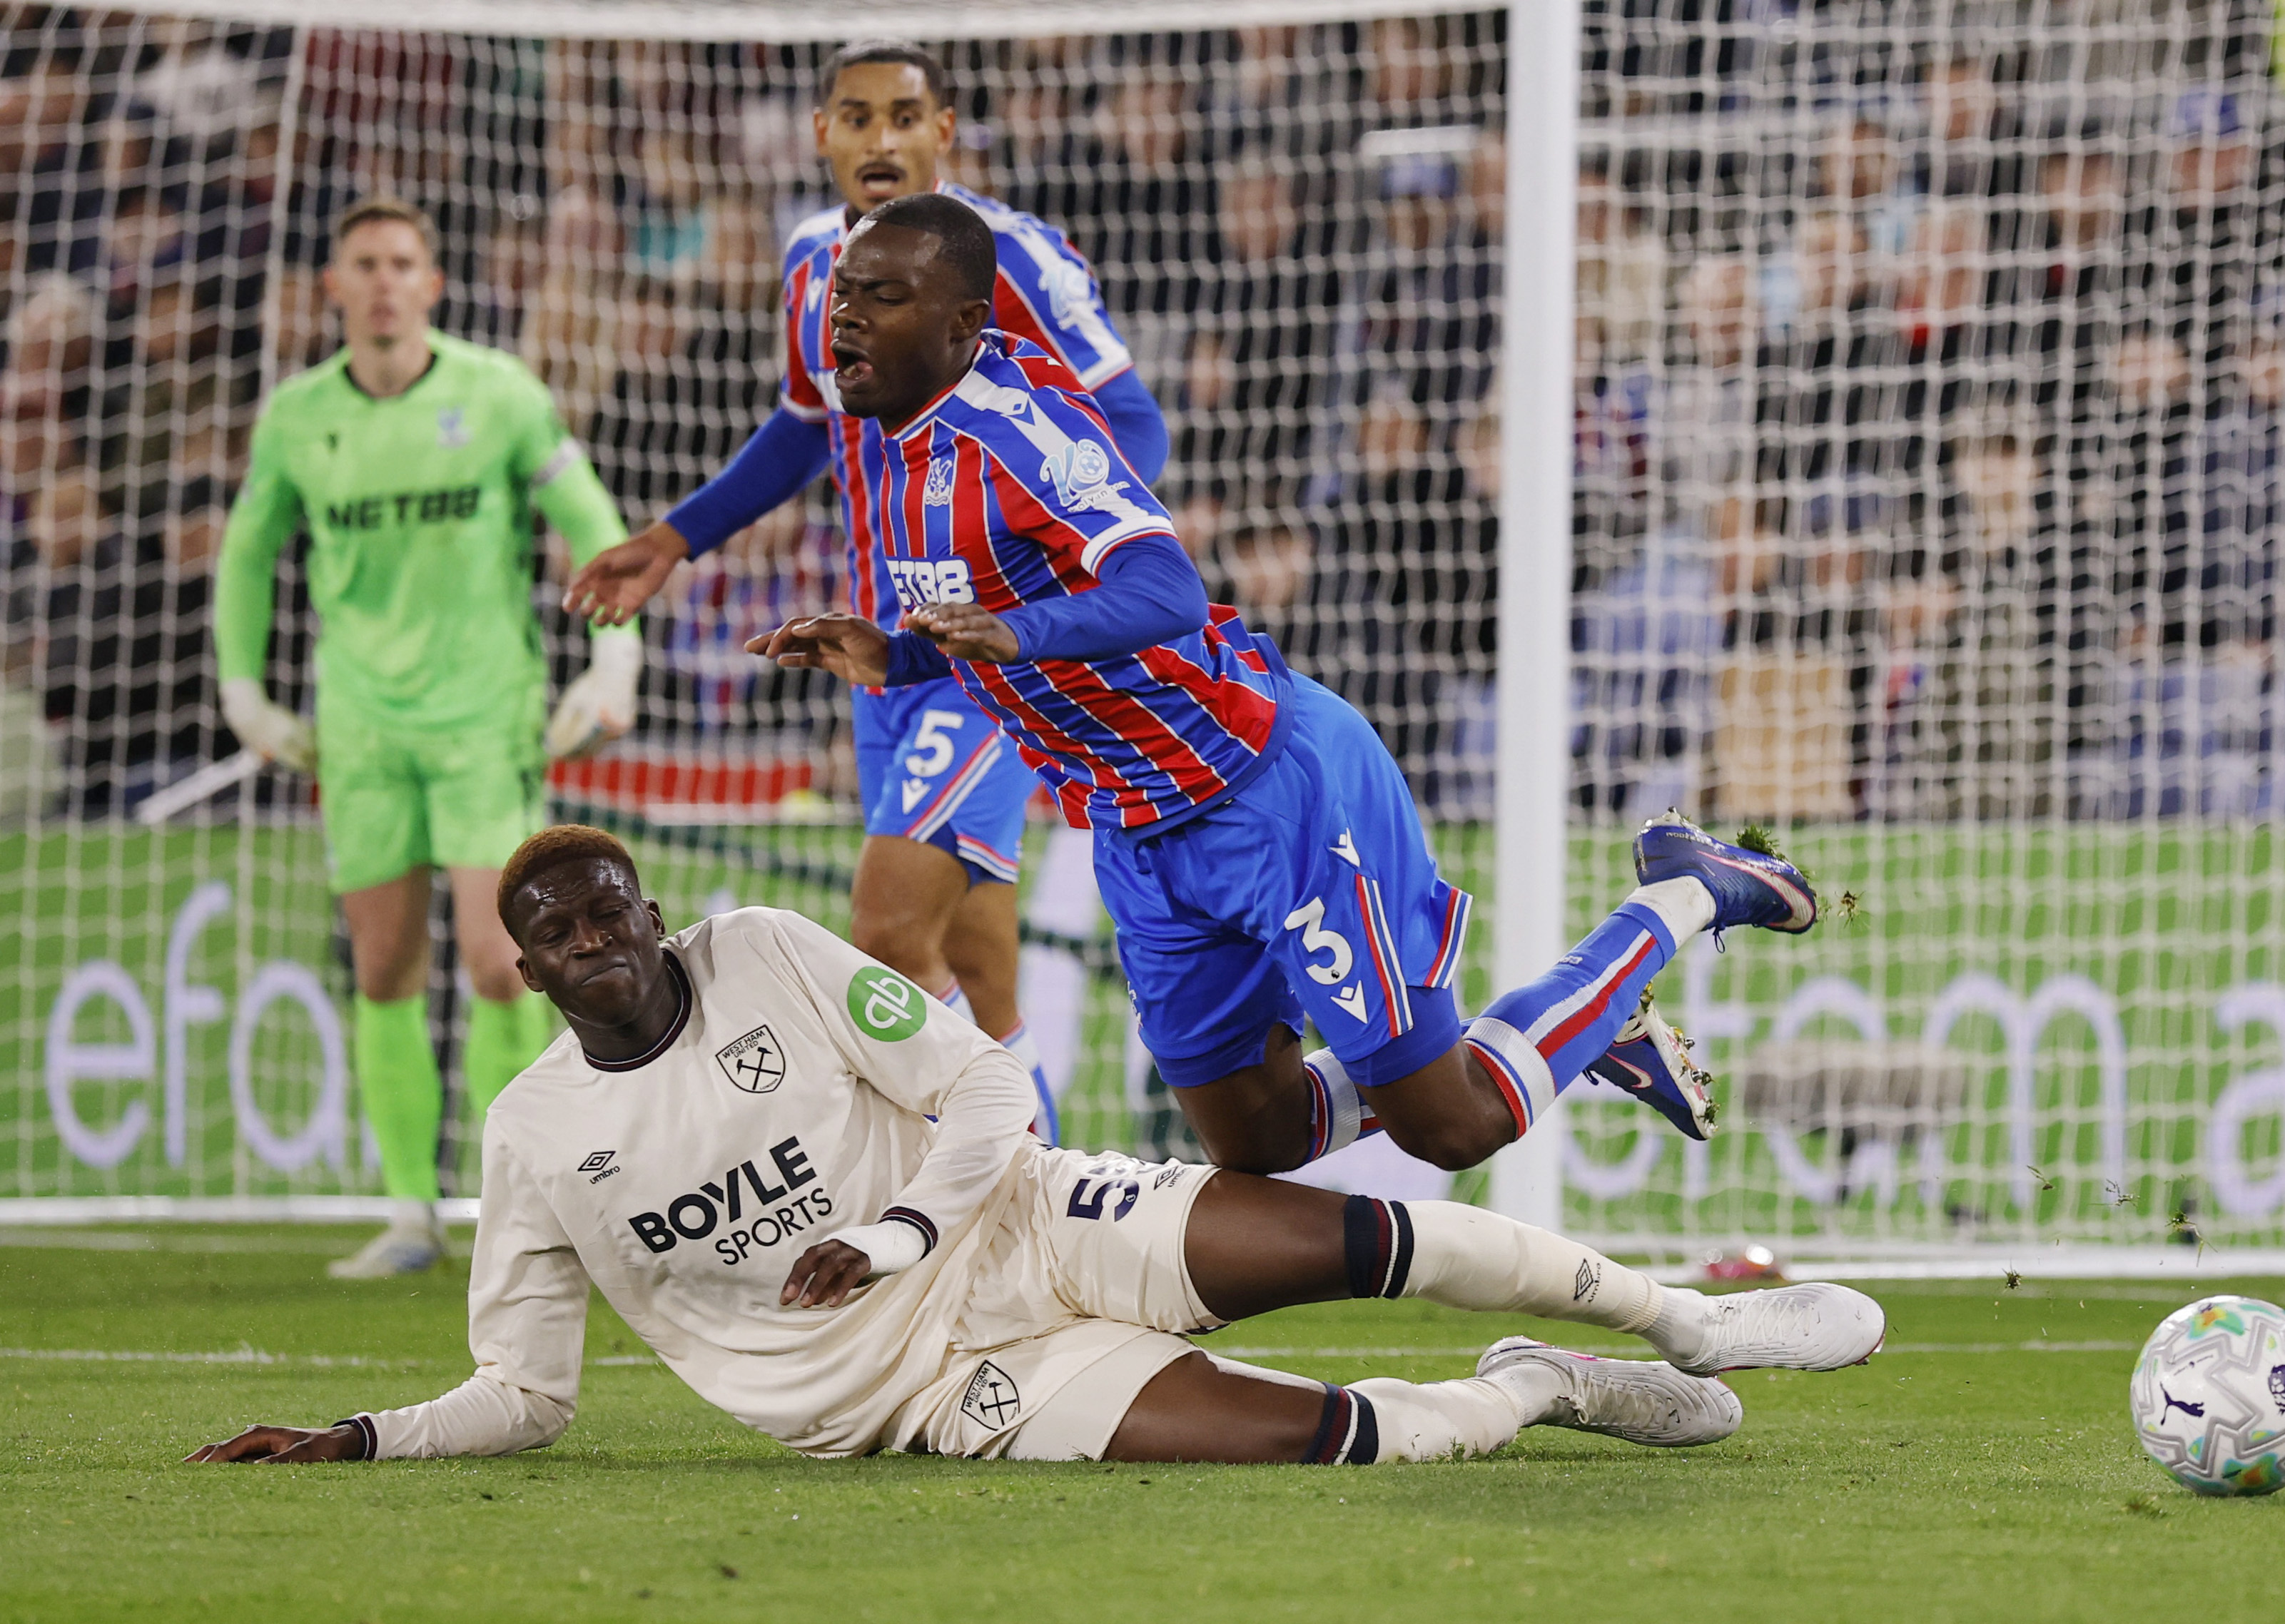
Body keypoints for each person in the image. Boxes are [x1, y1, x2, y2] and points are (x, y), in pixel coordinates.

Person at [684, 193, 1818, 1180]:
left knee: (1454, 1126)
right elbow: (985, 616)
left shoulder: (1016, 433)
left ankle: (1675, 901)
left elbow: (1163, 588)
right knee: (1256, 1141)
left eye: (880, 298)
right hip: (1135, 831)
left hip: (1263, 792)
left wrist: (1013, 632)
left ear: (962, 324)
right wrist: (902, 653)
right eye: (842, 297)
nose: (845, 321)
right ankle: (1554, 1036)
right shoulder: (882, 438)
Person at [183, 826, 1884, 1468]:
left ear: (652, 913)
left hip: (1020, 1223)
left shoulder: (766, 951)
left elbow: (988, 1089)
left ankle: (1681, 1316)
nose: (600, 939)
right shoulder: (536, 1136)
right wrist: (363, 1439)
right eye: (560, 931)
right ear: (527, 969)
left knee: (1359, 1234)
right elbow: (531, 1395)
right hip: (922, 1398)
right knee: (1337, 1444)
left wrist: (915, 1229)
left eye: (617, 908)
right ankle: (1539, 1386)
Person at [562, 41, 1170, 1140]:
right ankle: (1045, 1186)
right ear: (820, 136)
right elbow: (806, 425)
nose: (880, 140)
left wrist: (1034, 578)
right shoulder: (810, 261)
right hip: (877, 649)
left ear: (947, 130)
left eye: (903, 116)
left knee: (887, 929)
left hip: (979, 650)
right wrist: (674, 537)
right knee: (977, 966)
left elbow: (1130, 427)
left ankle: (999, 1185)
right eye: (856, 118)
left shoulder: (1011, 260)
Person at [211, 196, 644, 1278]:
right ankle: (410, 1212)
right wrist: (243, 692)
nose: (387, 280)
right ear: (335, 287)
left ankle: (525, 1202)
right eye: (366, 263)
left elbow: (593, 525)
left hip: (482, 714)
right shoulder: (297, 417)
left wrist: (614, 659)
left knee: (504, 969)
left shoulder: (499, 396)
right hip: (358, 726)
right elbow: (247, 557)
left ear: (433, 284)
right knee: (384, 964)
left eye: (405, 262)